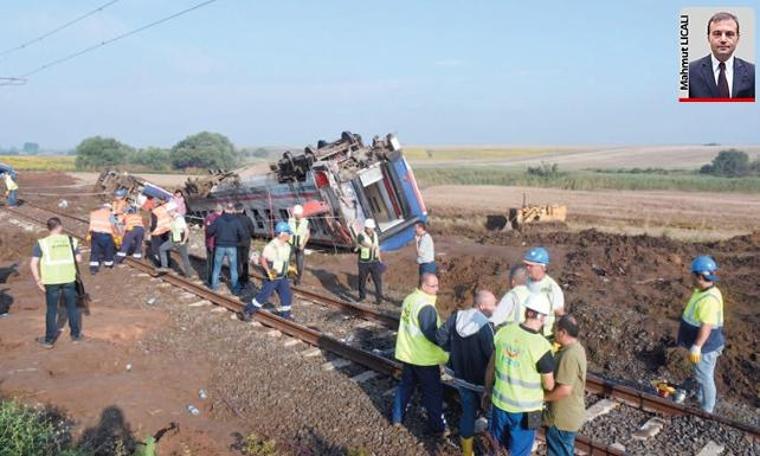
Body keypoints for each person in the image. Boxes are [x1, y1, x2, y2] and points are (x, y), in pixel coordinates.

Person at [483, 293, 556, 456]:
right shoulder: (542, 346)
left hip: (499, 404)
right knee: (522, 450)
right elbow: (549, 385)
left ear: (527, 311)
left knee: (495, 447)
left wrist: (487, 391)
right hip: (530, 411)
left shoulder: (504, 332)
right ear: (542, 317)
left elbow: (491, 368)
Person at [436, 290, 496, 456]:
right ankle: (492, 450)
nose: (495, 309)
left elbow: (440, 337)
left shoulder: (457, 317)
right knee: (491, 416)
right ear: (482, 306)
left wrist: (453, 351)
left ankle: (467, 452)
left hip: (461, 378)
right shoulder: (485, 325)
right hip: (482, 381)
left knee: (467, 414)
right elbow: (492, 355)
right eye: (493, 305)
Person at [392, 273, 449, 435]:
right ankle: (437, 427)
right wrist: (448, 349)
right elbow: (433, 335)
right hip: (424, 359)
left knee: (405, 387)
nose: (437, 289)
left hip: (408, 354)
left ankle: (397, 418)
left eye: (437, 285)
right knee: (433, 393)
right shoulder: (426, 307)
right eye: (433, 286)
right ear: (423, 285)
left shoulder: (410, 299)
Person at [676, 255, 725, 413]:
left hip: (706, 346)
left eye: (692, 274)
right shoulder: (705, 291)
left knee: (705, 377)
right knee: (702, 374)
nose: (690, 276)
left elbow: (707, 325)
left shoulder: (708, 299)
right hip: (705, 344)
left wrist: (697, 346)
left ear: (700, 276)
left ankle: (707, 410)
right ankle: (700, 398)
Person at [29, 217, 83, 348]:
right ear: (60, 227)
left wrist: (38, 280)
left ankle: (49, 340)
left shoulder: (42, 243)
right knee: (72, 307)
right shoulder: (71, 240)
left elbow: (33, 263)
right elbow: (79, 259)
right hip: (69, 279)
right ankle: (75, 336)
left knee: (52, 309)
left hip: (51, 280)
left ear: (48, 228)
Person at [543, 315, 587, 456]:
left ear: (563, 332)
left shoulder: (569, 355)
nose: (553, 332)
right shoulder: (577, 349)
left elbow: (564, 390)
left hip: (560, 419)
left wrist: (542, 398)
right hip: (567, 415)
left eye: (555, 330)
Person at [688, 11, 755, 99]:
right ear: (708, 38)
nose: (723, 39)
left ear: (738, 38)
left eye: (729, 34)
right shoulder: (689, 72)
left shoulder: (753, 72)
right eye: (717, 34)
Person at [243, 221, 294, 319]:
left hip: (282, 275)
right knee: (264, 295)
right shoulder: (271, 246)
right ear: (282, 234)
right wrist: (268, 271)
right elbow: (263, 259)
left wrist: (290, 270)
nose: (290, 235)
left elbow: (286, 260)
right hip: (273, 273)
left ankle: (286, 316)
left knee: (287, 295)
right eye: (288, 233)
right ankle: (248, 311)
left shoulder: (287, 246)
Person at [523, 247, 565, 338]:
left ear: (542, 267)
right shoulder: (526, 282)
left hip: (543, 333)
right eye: (526, 265)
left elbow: (559, 313)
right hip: (525, 328)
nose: (527, 268)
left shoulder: (552, 288)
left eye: (531, 266)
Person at [208, 203, 246, 293]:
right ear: (232, 209)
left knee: (217, 267)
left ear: (224, 209)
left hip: (220, 246)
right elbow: (242, 233)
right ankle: (235, 288)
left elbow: (210, 231)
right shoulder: (236, 221)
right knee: (233, 268)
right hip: (232, 246)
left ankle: (214, 286)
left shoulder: (218, 220)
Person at [158, 208, 193, 277]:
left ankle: (189, 274)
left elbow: (186, 231)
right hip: (173, 240)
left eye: (169, 212)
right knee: (162, 248)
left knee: (184, 257)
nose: (168, 214)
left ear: (173, 211)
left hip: (180, 241)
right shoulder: (173, 218)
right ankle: (164, 267)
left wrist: (183, 241)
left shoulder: (179, 219)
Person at [356, 218, 384, 304]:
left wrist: (380, 259)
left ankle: (379, 299)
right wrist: (370, 246)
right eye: (369, 228)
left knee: (377, 280)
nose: (370, 230)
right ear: (366, 228)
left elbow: (377, 247)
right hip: (363, 262)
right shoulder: (361, 235)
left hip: (374, 261)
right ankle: (362, 297)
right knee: (362, 280)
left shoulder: (375, 235)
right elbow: (363, 242)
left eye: (372, 228)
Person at [88, 203, 117, 275]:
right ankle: (108, 264)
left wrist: (89, 233)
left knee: (94, 251)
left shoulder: (94, 213)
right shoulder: (110, 214)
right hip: (106, 234)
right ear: (109, 208)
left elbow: (91, 224)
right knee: (108, 249)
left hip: (94, 234)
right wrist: (116, 234)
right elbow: (113, 226)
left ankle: (93, 268)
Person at [234, 202, 256, 289]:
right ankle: (245, 278)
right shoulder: (248, 219)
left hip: (236, 243)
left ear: (235, 210)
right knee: (245, 260)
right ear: (243, 210)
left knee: (237, 261)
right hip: (246, 243)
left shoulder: (232, 220)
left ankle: (239, 279)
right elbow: (252, 230)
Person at [288, 204, 310, 286]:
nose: (297, 215)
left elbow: (307, 235)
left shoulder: (306, 222)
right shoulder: (290, 221)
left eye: (299, 214)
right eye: (296, 214)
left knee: (299, 264)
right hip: (291, 244)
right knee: (289, 262)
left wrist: (303, 245)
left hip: (300, 246)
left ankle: (299, 279)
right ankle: (291, 277)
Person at [149, 200, 174, 266]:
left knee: (156, 248)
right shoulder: (166, 209)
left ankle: (160, 263)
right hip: (166, 230)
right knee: (165, 247)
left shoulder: (155, 211)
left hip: (157, 231)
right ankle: (168, 262)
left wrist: (151, 231)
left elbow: (154, 223)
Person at [204, 204, 223, 286]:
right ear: (221, 211)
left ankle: (210, 280)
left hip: (210, 243)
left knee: (210, 262)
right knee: (217, 262)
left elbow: (207, 230)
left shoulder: (208, 217)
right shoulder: (221, 219)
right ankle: (215, 279)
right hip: (219, 244)